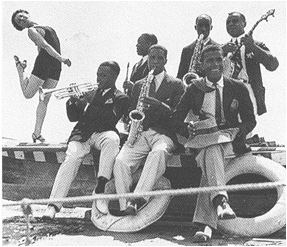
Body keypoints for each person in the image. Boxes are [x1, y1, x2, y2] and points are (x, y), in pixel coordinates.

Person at [170, 44, 256, 242]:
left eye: (219, 59)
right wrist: (187, 127)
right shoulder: (194, 88)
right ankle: (220, 203)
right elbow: (175, 119)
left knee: (213, 152)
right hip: (203, 141)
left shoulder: (238, 87)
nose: (216, 64)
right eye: (210, 61)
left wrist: (238, 132)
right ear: (201, 65)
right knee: (211, 148)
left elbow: (251, 120)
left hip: (231, 143)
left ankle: (208, 222)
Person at [42, 61, 129, 220]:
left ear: (114, 77)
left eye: (103, 75)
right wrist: (72, 100)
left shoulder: (120, 97)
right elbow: (72, 117)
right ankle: (53, 206)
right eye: (98, 74)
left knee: (112, 139)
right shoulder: (90, 92)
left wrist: (85, 104)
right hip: (82, 134)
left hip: (103, 132)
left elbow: (109, 119)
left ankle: (101, 189)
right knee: (72, 158)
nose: (99, 78)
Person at [113, 44, 185, 216]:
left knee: (158, 153)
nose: (156, 62)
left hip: (163, 134)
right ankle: (124, 207)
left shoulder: (176, 84)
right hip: (141, 133)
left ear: (166, 60)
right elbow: (132, 112)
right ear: (148, 59)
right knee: (120, 162)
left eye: (160, 58)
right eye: (152, 57)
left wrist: (160, 106)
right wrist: (132, 126)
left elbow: (179, 115)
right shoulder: (138, 85)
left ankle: (137, 200)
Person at [11, 9, 71, 143]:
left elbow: (40, 47)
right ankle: (20, 70)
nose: (21, 20)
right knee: (28, 94)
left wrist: (59, 61)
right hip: (45, 64)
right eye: (18, 22)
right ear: (21, 27)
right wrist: (62, 58)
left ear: (27, 13)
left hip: (55, 67)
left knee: (44, 99)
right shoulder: (31, 31)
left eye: (21, 16)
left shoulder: (44, 27)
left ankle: (37, 133)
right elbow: (45, 45)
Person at [221, 12, 279, 116]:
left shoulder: (256, 45)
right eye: (228, 22)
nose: (230, 24)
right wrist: (221, 52)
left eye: (235, 21)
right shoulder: (222, 48)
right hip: (227, 92)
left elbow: (273, 65)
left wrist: (253, 47)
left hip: (248, 89)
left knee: (248, 126)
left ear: (244, 24)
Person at [177, 14, 217, 81]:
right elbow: (180, 75)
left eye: (206, 26)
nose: (203, 29)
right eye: (200, 25)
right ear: (195, 27)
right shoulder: (186, 50)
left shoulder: (218, 48)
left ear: (211, 27)